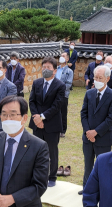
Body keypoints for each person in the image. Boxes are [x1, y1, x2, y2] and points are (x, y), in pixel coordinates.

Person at [80, 65, 112, 195]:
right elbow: (83, 113)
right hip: (88, 136)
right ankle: (86, 188)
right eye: (95, 77)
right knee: (87, 164)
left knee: (103, 166)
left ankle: (101, 191)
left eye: (100, 78)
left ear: (107, 79)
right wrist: (88, 131)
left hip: (103, 137)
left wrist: (95, 132)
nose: (96, 80)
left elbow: (110, 118)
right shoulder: (89, 93)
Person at [29, 57, 65, 187]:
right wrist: (36, 117)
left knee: (52, 151)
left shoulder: (60, 85)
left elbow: (57, 105)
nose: (45, 70)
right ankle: (37, 175)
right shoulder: (36, 83)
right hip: (37, 123)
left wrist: (42, 117)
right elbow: (32, 101)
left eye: (48, 67)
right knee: (36, 150)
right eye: (44, 67)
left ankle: (52, 177)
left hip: (52, 123)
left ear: (55, 70)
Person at [56, 52, 74, 138]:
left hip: (63, 95)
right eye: (61, 56)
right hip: (54, 94)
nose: (61, 57)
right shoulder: (55, 69)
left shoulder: (69, 71)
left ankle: (63, 130)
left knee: (62, 113)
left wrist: (59, 90)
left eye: (63, 56)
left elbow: (68, 84)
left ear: (67, 59)